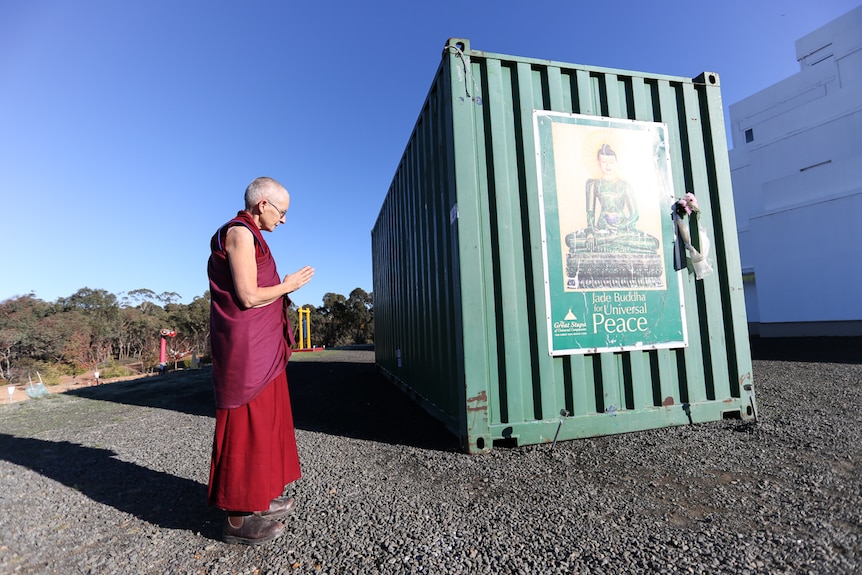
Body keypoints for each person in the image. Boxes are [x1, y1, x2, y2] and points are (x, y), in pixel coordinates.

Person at [207, 176, 314, 545]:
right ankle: (237, 519)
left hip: (262, 348)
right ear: (263, 204)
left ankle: (260, 496)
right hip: (246, 351)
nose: (283, 220)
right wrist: (289, 285)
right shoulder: (240, 233)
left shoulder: (254, 235)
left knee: (268, 421)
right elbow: (249, 296)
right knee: (245, 425)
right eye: (281, 212)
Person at [566, 143, 659, 254]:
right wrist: (590, 233)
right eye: (604, 162)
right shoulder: (593, 184)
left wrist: (622, 226)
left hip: (623, 230)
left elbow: (635, 215)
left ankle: (609, 241)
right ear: (598, 163)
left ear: (616, 162)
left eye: (611, 162)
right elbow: (590, 212)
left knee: (653, 243)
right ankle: (613, 241)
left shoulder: (625, 185)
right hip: (602, 230)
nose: (607, 166)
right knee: (571, 240)